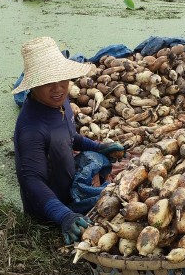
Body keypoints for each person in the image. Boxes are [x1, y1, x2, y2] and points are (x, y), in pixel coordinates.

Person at [12, 36, 124, 244]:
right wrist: (64, 215)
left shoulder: (60, 100)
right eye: (48, 82)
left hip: (69, 186)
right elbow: (31, 181)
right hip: (50, 208)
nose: (58, 88)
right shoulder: (32, 128)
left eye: (62, 79)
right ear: (34, 85)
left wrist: (100, 147)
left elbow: (70, 138)